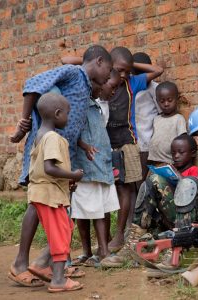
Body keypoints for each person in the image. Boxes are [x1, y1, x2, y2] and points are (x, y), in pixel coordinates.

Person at [103, 104, 198, 268]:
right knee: (154, 180)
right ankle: (133, 245)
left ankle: (180, 249)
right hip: (192, 215)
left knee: (188, 183)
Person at [9, 45, 112, 286]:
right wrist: (24, 123)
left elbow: (70, 122)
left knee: (61, 206)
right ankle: (20, 263)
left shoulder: (86, 88)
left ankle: (47, 264)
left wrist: (82, 145)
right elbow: (33, 84)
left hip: (65, 152)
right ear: (98, 61)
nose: (108, 77)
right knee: (38, 202)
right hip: (47, 148)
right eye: (108, 71)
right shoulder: (73, 73)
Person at [9, 93, 84, 292]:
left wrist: (67, 180)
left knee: (65, 228)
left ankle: (42, 264)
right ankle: (58, 279)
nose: (69, 118)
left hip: (44, 192)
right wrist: (73, 175)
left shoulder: (39, 135)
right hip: (50, 196)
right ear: (58, 114)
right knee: (60, 235)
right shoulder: (52, 138)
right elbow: (49, 168)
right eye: (67, 113)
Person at [101, 133, 198, 268]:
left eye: (181, 152)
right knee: (148, 183)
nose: (176, 156)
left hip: (186, 220)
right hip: (167, 217)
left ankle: (176, 247)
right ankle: (133, 243)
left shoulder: (195, 171)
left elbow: (192, 193)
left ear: (193, 153)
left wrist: (179, 177)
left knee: (159, 181)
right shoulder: (172, 167)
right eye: (173, 153)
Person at [105, 47, 164, 254]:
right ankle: (106, 239)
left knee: (128, 188)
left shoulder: (133, 82)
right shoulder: (103, 81)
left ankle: (122, 234)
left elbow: (158, 70)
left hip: (129, 142)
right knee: (105, 189)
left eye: (126, 72)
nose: (123, 75)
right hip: (105, 144)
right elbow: (67, 59)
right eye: (119, 70)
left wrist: (130, 67)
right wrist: (109, 61)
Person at [70, 70, 121, 267]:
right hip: (86, 168)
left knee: (103, 209)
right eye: (108, 84)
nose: (111, 89)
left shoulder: (99, 107)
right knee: (82, 211)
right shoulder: (81, 105)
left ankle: (103, 250)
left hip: (102, 166)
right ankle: (88, 251)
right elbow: (73, 132)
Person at [132, 52, 161, 182]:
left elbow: (161, 113)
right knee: (133, 178)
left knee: (143, 178)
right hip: (133, 141)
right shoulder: (130, 86)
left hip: (148, 143)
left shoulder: (155, 88)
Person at [148, 81, 187, 165]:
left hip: (169, 162)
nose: (166, 104)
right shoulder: (156, 119)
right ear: (157, 101)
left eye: (170, 100)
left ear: (177, 99)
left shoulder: (178, 119)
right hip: (154, 161)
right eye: (162, 101)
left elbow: (182, 141)